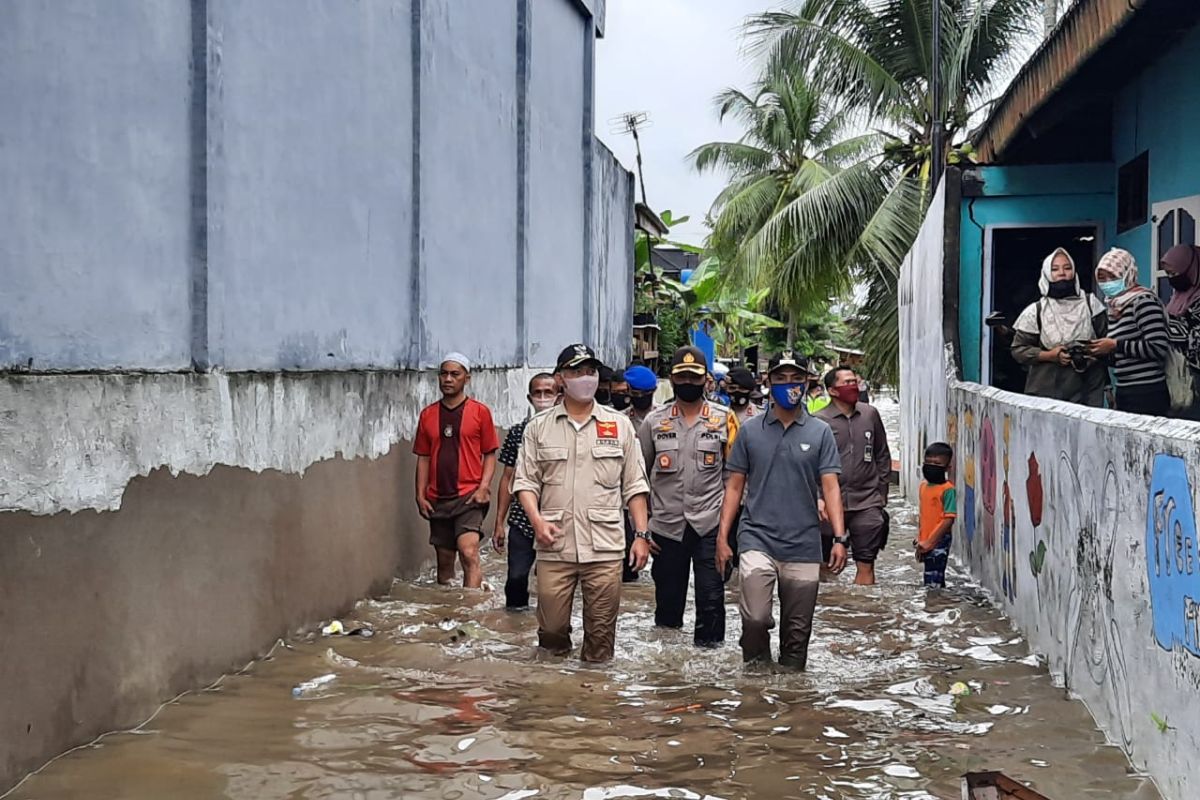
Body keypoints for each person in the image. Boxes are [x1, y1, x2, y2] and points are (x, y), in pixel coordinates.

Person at [513, 344, 652, 662]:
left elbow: (635, 485)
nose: (585, 378)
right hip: (555, 545)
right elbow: (525, 483)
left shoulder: (618, 425)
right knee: (550, 632)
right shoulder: (539, 428)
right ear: (561, 378)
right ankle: (557, 696)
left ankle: (595, 702)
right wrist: (537, 522)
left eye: (590, 372)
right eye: (576, 372)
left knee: (601, 638)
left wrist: (641, 536)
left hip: (604, 548)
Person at [716, 351, 848, 670]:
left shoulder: (819, 432)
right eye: (780, 378)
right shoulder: (749, 431)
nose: (789, 385)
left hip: (803, 544)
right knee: (756, 618)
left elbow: (830, 486)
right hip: (756, 538)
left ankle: (792, 701)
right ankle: (756, 683)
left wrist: (840, 538)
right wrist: (722, 538)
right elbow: (734, 486)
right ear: (768, 382)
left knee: (797, 636)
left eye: (796, 378)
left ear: (807, 382)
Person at [639, 346, 740, 648]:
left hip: (711, 526)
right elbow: (638, 479)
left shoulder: (725, 420)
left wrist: (727, 535)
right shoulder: (654, 422)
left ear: (706, 380)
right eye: (681, 377)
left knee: (711, 602)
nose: (688, 383)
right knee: (667, 609)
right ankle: (669, 674)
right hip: (666, 528)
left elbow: (734, 480)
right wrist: (641, 531)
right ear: (670, 378)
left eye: (694, 377)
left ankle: (708, 676)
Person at [413, 353, 499, 589]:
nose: (448, 379)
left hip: (469, 495)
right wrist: (420, 495)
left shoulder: (480, 412)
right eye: (444, 374)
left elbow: (489, 454)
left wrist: (483, 488)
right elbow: (423, 457)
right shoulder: (428, 415)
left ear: (466, 379)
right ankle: (450, 612)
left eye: (455, 374)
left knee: (469, 552)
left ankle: (470, 613)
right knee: (445, 562)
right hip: (438, 498)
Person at [817, 366, 892, 586]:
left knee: (866, 561)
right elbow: (807, 464)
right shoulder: (819, 421)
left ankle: (863, 613)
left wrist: (881, 494)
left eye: (855, 381)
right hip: (828, 504)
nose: (853, 386)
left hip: (867, 501)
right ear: (832, 390)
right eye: (847, 383)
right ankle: (832, 613)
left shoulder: (870, 414)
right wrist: (817, 496)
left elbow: (882, 454)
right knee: (824, 565)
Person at [1010, 247, 1109, 406]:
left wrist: (1092, 352)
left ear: (1074, 272)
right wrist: (1050, 355)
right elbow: (1018, 350)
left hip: (1087, 392)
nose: (1062, 273)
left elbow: (1108, 343)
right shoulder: (1036, 311)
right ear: (1047, 275)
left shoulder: (1091, 305)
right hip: (1045, 394)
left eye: (1067, 268)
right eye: (1055, 269)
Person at [493, 373, 559, 609]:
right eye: (538, 393)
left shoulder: (568, 433)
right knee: (516, 580)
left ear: (558, 396)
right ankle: (515, 632)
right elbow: (507, 478)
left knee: (554, 586)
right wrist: (499, 522)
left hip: (558, 519)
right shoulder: (517, 433)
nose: (543, 398)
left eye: (548, 393)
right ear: (529, 398)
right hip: (522, 520)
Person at [1088, 248, 1171, 416]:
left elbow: (1158, 347)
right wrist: (1099, 352)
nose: (1107, 282)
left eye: (1113, 276)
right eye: (1102, 278)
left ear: (1128, 274)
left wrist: (1115, 345)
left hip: (1148, 391)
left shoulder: (1143, 302)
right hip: (1126, 389)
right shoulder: (1115, 307)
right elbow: (1124, 357)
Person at [1163, 244, 1200, 419]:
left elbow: (1189, 335)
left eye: (1176, 273)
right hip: (1180, 375)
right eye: (1169, 274)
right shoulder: (1178, 297)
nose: (1172, 278)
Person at [915, 442, 957, 588]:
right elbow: (924, 516)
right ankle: (936, 606)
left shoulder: (948, 490)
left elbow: (948, 520)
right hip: (926, 540)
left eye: (937, 463)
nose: (932, 466)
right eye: (928, 462)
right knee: (931, 578)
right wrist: (920, 540)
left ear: (947, 467)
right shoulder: (923, 487)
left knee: (934, 582)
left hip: (940, 540)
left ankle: (935, 608)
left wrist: (930, 542)